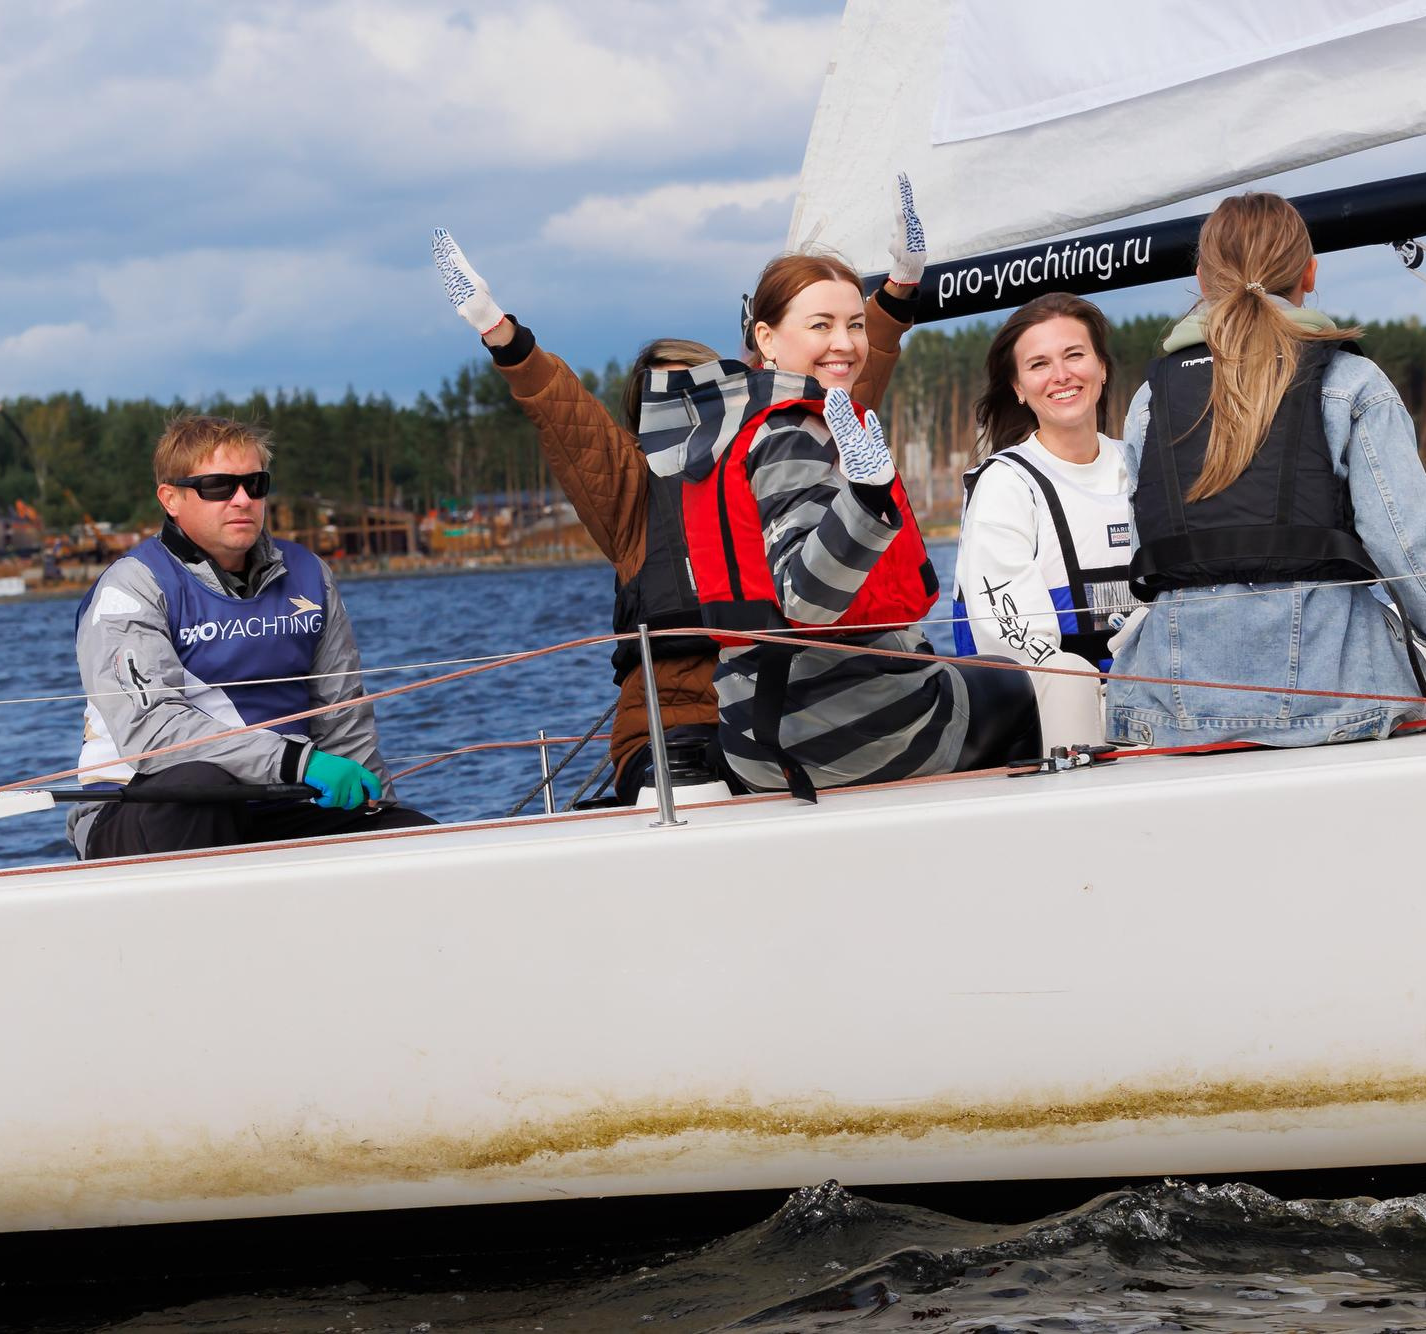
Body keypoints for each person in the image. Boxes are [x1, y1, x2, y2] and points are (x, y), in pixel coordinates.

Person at [429, 175, 928, 803]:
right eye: (662, 404)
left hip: (798, 702)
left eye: (695, 389)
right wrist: (499, 331)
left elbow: (841, 370)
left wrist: (899, 291)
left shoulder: (776, 441)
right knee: (698, 798)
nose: (687, 417)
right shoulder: (632, 499)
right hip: (675, 724)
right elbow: (567, 419)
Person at [1108, 192, 1426, 748]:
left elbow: (1148, 538)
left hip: (1170, 704)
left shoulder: (1152, 398)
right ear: (1310, 272)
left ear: (1202, 280)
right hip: (1339, 700)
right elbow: (1401, 545)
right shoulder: (1351, 383)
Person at [638, 251, 1039, 798]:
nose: (846, 343)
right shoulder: (791, 435)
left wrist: (903, 285)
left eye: (855, 324)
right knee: (1012, 683)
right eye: (820, 325)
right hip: (845, 729)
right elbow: (806, 599)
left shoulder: (734, 426)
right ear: (768, 338)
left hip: (755, 729)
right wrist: (868, 501)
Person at [69, 414, 435, 858]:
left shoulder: (309, 576)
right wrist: (296, 763)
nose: (242, 500)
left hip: (278, 799)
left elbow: (341, 716)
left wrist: (372, 803)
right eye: (219, 487)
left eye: (254, 484)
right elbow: (154, 734)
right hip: (139, 806)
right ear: (171, 499)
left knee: (420, 839)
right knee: (200, 783)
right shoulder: (130, 590)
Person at [951, 293, 1132, 750]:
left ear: (1103, 367)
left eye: (1075, 355)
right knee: (1068, 676)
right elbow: (1008, 633)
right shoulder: (1006, 485)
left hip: (1145, 694)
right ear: (1017, 387)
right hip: (1048, 715)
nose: (1061, 375)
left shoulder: (1141, 465)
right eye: (1039, 365)